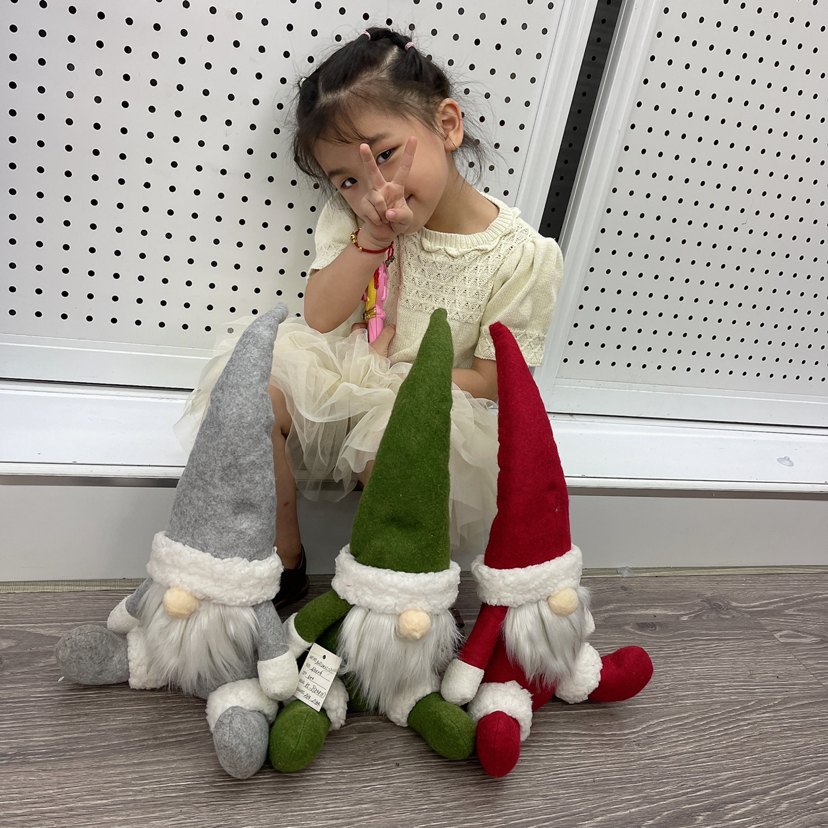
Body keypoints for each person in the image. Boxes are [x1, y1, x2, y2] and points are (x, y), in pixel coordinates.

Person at [175, 27, 564, 609]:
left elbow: (493, 381)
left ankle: (392, 593)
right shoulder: (356, 218)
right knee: (248, 391)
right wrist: (372, 240)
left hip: (432, 396)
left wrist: (396, 381)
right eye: (349, 179)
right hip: (341, 369)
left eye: (384, 157)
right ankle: (279, 561)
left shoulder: (522, 255)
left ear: (448, 126)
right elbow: (320, 317)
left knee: (395, 445)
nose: (373, 190)